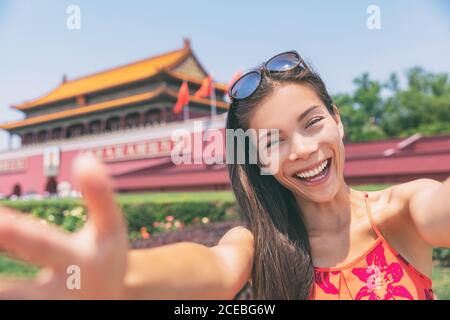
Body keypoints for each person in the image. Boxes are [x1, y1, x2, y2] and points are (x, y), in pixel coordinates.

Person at [0, 51, 449, 300]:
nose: (304, 150)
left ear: (338, 119)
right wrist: (124, 278)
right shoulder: (258, 243)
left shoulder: (402, 215)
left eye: (312, 123)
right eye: (273, 142)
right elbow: (212, 269)